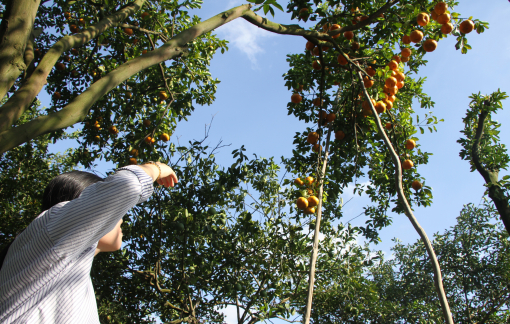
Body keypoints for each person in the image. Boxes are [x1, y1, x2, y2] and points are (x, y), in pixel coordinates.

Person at [0, 162, 178, 323]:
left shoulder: (74, 278)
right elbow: (127, 186)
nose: (120, 218)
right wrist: (155, 167)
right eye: (111, 210)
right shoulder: (53, 227)